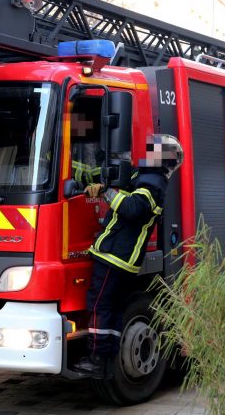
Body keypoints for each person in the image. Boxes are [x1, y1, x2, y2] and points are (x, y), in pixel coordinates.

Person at [72, 133, 184, 379]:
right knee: (111, 309)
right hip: (118, 256)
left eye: (154, 151)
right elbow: (122, 177)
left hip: (116, 256)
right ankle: (106, 359)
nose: (148, 154)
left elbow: (133, 208)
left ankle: (97, 360)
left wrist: (106, 193)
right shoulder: (146, 177)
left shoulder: (153, 184)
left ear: (163, 158)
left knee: (99, 305)